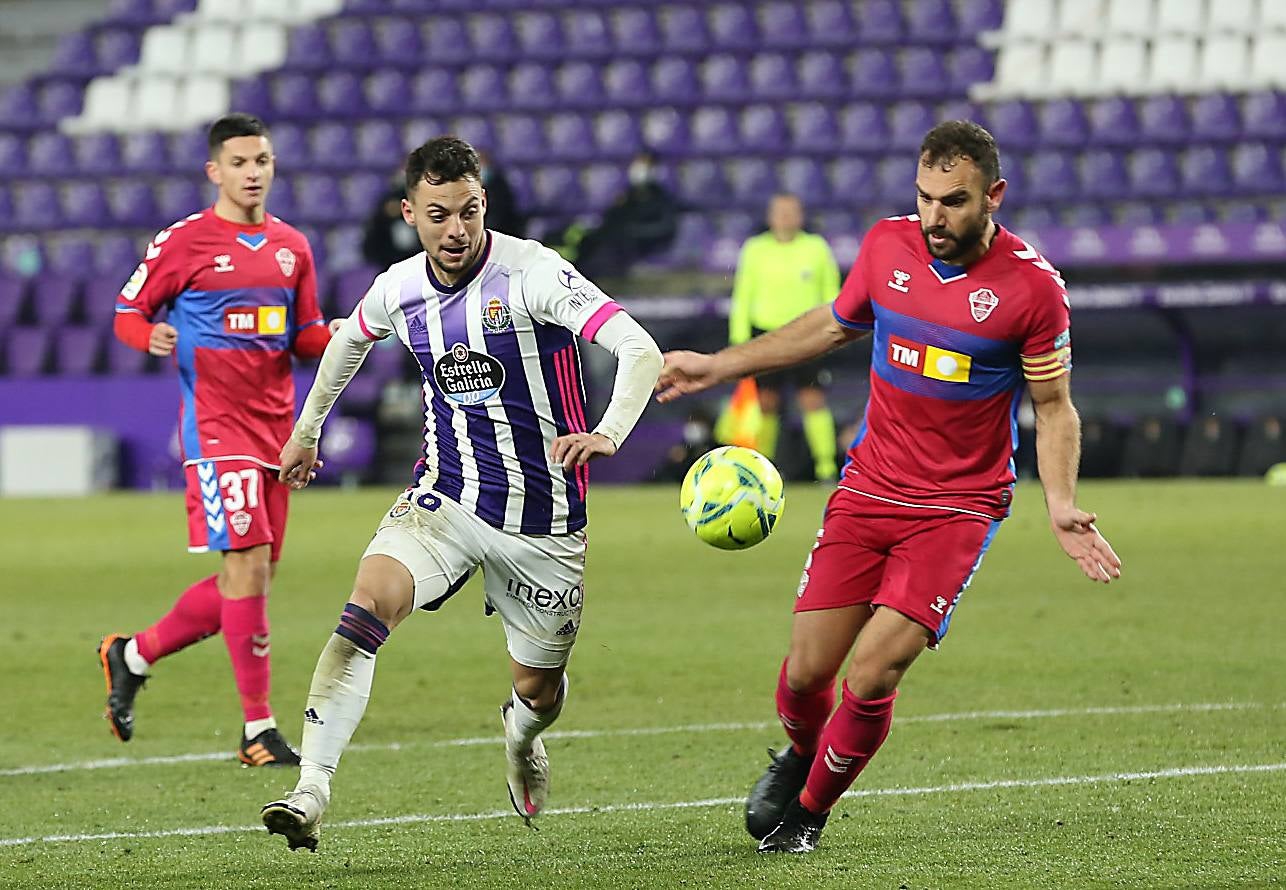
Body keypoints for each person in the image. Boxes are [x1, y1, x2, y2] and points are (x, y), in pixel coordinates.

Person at [656, 121, 1122, 854]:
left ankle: (806, 816)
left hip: (958, 508)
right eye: (926, 197)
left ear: (994, 196)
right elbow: (832, 326)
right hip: (869, 487)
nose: (936, 216)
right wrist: (719, 365)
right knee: (808, 672)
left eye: (956, 201)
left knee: (872, 674)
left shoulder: (1033, 289)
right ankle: (803, 751)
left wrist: (1060, 504)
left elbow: (1055, 406)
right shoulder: (885, 246)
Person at [259, 136, 663, 851]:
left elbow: (639, 349)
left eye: (469, 212)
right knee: (362, 610)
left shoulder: (532, 273)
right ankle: (311, 790)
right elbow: (349, 342)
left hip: (544, 521)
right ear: (409, 212)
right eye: (439, 214)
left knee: (539, 690)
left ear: (485, 205)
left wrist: (608, 431)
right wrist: (307, 430)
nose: (456, 230)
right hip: (447, 498)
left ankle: (519, 734)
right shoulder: (398, 287)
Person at [100, 113, 339, 766]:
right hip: (216, 427)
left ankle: (134, 653)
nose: (252, 172)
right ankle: (257, 729)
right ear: (215, 171)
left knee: (251, 580)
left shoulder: (293, 247)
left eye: (261, 160)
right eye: (239, 163)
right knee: (249, 565)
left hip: (276, 431)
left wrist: (348, 336)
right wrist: (146, 335)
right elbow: (127, 310)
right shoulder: (185, 241)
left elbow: (305, 333)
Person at [727, 192, 841, 481]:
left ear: (800, 216)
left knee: (812, 399)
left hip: (808, 334)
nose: (786, 217)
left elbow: (832, 293)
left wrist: (833, 330)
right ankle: (760, 468)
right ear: (770, 216)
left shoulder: (816, 248)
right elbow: (743, 295)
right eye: (780, 212)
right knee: (765, 403)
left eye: (791, 211)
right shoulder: (755, 249)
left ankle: (825, 468)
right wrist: (739, 341)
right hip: (766, 333)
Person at [566, 151, 678, 279]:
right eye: (637, 163)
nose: (638, 169)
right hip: (616, 241)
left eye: (644, 164)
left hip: (641, 244)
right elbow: (612, 220)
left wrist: (632, 231)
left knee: (605, 256)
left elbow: (666, 227)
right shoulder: (628, 195)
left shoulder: (661, 198)